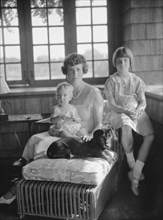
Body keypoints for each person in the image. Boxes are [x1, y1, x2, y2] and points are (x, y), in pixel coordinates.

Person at [0, 52, 104, 204]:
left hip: (78, 136)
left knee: (43, 144)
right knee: (35, 138)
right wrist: (53, 127)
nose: (74, 74)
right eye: (71, 70)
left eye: (78, 70)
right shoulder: (64, 91)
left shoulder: (93, 93)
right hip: (60, 131)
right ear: (66, 72)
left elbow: (99, 124)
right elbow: (57, 115)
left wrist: (90, 135)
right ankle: (22, 171)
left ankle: (14, 190)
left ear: (84, 70)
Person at [104, 46, 154, 196]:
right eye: (119, 61)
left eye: (126, 60)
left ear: (130, 62)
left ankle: (135, 174)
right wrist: (126, 111)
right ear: (115, 63)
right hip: (119, 111)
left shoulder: (137, 80)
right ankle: (134, 170)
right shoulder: (111, 81)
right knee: (126, 126)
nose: (123, 64)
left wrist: (138, 112)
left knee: (150, 136)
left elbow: (142, 101)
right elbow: (111, 103)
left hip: (136, 111)